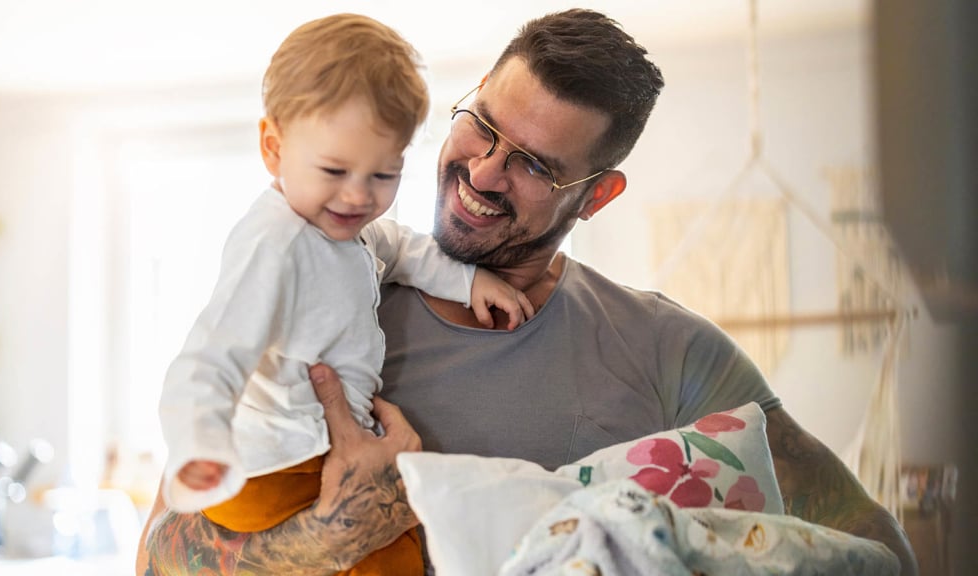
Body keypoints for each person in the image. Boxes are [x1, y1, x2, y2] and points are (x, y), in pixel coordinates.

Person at [138, 8, 918, 576]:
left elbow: (872, 540)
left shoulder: (670, 353)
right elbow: (157, 559)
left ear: (598, 195)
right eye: (482, 124)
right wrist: (334, 537)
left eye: (536, 166)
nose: (482, 173)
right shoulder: (331, 281)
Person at [153, 13, 533, 576]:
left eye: (385, 174)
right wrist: (200, 445)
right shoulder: (275, 242)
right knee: (391, 557)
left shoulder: (346, 228)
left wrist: (471, 280)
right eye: (335, 169)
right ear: (273, 148)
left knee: (397, 543)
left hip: (315, 451)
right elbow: (213, 354)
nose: (358, 195)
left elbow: (403, 249)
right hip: (274, 465)